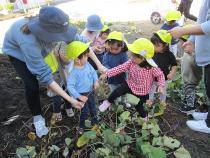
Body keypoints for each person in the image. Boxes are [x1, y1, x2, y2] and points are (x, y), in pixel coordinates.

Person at [2, 6, 105, 138]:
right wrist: (70, 99)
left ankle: (53, 91)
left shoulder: (58, 27)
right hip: (17, 53)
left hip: (41, 49)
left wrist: (99, 65)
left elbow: (83, 44)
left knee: (48, 72)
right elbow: (46, 76)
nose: (62, 38)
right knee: (31, 84)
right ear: (46, 33)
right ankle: (37, 118)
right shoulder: (29, 41)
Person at [169, 0, 210, 133]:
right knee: (208, 88)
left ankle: (209, 124)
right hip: (206, 56)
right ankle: (208, 115)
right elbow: (202, 20)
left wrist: (182, 31)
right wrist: (192, 41)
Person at [99, 38, 165, 121]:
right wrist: (107, 73)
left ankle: (144, 118)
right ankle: (107, 102)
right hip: (130, 85)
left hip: (142, 91)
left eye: (133, 56)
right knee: (116, 92)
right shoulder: (131, 62)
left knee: (139, 106)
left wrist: (161, 85)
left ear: (142, 58)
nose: (130, 57)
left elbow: (160, 75)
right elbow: (120, 68)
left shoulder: (152, 68)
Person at [66, 41, 99, 134]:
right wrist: (79, 96)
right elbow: (70, 87)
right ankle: (81, 126)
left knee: (93, 107)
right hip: (80, 94)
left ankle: (94, 120)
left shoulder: (87, 64)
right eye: (86, 56)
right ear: (77, 59)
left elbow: (93, 73)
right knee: (84, 111)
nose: (88, 57)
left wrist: (95, 81)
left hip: (90, 92)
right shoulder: (73, 73)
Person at [177, 25, 203, 114]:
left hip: (191, 78)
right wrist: (180, 59)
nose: (180, 43)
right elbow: (186, 59)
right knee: (188, 89)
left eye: (180, 41)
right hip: (188, 76)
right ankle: (191, 101)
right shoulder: (187, 52)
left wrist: (192, 54)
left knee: (189, 89)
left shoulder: (193, 53)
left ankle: (190, 106)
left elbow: (196, 63)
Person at [148, 30, 177, 107]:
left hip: (164, 78)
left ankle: (162, 101)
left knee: (163, 91)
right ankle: (150, 100)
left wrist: (172, 73)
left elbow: (174, 65)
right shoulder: (151, 52)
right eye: (152, 44)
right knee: (150, 89)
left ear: (165, 45)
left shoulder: (169, 55)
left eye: (157, 45)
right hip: (152, 77)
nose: (153, 47)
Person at [102, 31, 131, 108]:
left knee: (124, 92)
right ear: (108, 46)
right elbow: (105, 65)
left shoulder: (123, 54)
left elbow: (125, 65)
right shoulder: (106, 55)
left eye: (116, 49)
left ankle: (124, 102)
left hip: (122, 78)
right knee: (114, 91)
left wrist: (118, 70)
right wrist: (108, 70)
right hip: (111, 79)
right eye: (111, 49)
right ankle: (117, 103)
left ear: (121, 46)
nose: (114, 51)